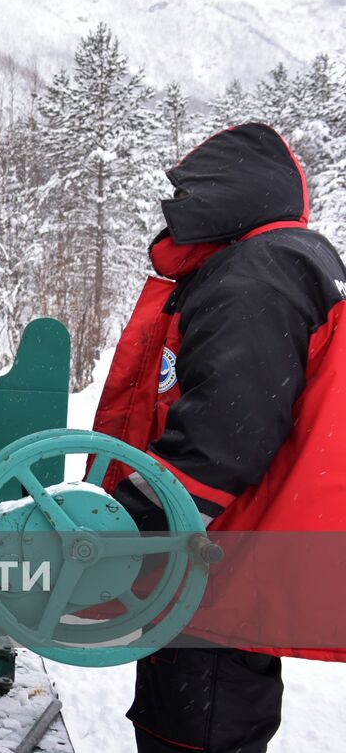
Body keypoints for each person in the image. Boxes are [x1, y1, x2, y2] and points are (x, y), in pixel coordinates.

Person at [93, 122, 346, 753]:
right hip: (240, 547)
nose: (173, 206)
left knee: (194, 730)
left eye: (188, 190)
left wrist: (127, 528)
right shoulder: (286, 262)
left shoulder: (258, 273)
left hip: (222, 558)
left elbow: (227, 431)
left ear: (231, 192)